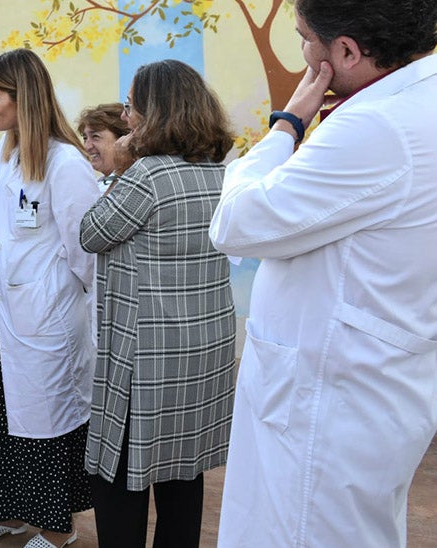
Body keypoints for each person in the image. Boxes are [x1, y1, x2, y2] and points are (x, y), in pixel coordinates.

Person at [209, 1, 437, 546]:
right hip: (368, 383)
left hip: (326, 402)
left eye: (305, 38)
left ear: (347, 51)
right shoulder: (418, 100)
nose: (303, 53)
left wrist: (287, 124)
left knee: (304, 530)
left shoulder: (374, 127)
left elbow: (236, 223)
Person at [0, 48, 99, 548]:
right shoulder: (12, 151)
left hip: (47, 319)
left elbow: (86, 251)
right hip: (8, 317)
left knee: (47, 423)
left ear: (22, 97)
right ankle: (8, 514)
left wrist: (67, 307)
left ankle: (57, 529)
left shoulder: (66, 162)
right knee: (6, 414)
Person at [79, 60, 236, 548]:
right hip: (203, 350)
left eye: (131, 106)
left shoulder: (146, 174)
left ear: (156, 111)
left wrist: (125, 166)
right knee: (182, 474)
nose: (126, 118)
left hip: (145, 355)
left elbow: (91, 233)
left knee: (120, 481)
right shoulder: (218, 171)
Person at [75, 103, 131, 191]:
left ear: (123, 139)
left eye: (95, 136)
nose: (87, 146)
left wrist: (118, 174)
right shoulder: (100, 182)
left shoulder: (130, 184)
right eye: (85, 138)